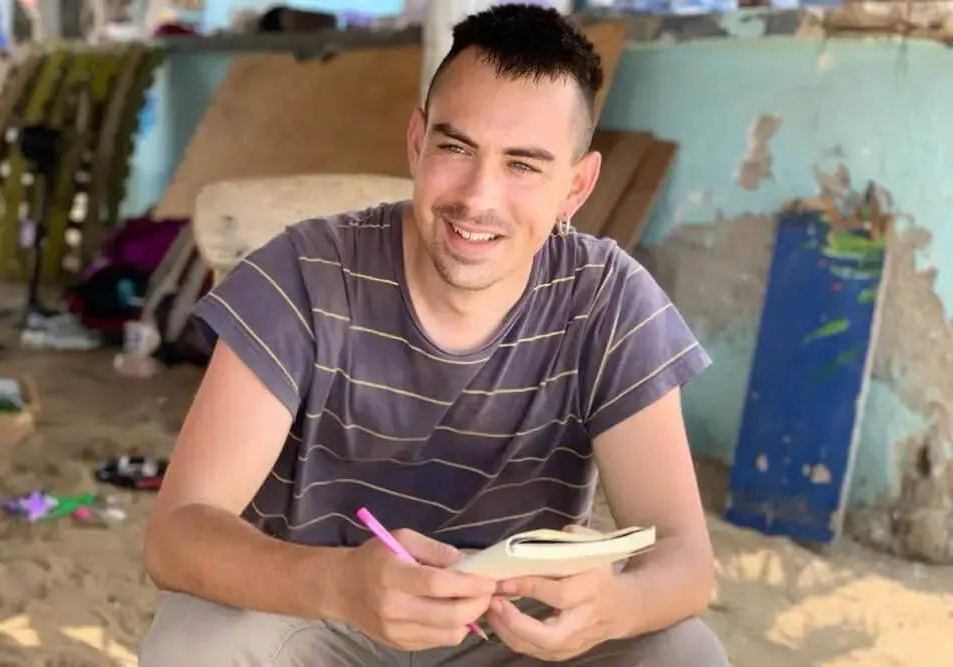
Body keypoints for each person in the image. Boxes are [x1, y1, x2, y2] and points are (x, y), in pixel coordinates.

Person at [139, 5, 728, 666]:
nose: (478, 198)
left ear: (577, 185)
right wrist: (341, 584)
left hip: (511, 633)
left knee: (684, 651)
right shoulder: (303, 276)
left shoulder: (609, 300)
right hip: (319, 616)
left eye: (523, 166)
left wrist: (612, 606)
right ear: (418, 143)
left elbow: (685, 557)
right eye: (456, 148)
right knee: (197, 639)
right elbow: (176, 536)